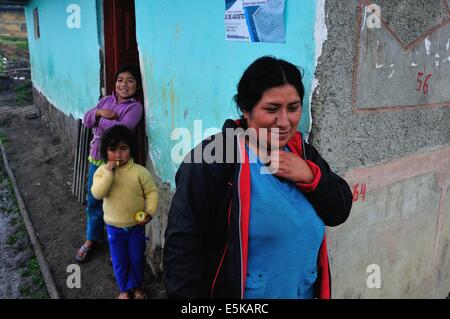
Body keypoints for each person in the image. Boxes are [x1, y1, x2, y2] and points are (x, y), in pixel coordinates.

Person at [163, 56, 353, 299]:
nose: (284, 122)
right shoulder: (213, 160)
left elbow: (339, 210)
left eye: (293, 108)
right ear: (246, 108)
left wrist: (310, 176)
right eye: (272, 109)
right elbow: (182, 250)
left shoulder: (302, 153)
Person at [75, 65, 144, 263]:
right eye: (120, 80)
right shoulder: (105, 101)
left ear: (137, 86)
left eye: (130, 80)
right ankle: (91, 239)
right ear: (114, 83)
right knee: (94, 201)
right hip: (96, 161)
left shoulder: (134, 107)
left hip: (119, 165)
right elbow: (87, 121)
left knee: (120, 202)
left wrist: (100, 118)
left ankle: (120, 242)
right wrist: (98, 113)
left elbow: (121, 130)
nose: (124, 84)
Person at [91, 125, 158, 299]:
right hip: (114, 228)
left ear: (131, 149)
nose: (118, 155)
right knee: (120, 262)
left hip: (136, 227)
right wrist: (109, 173)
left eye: (123, 149)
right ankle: (123, 290)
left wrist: (149, 211)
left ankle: (136, 287)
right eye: (112, 150)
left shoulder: (139, 172)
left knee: (136, 259)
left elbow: (151, 192)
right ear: (106, 152)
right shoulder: (101, 172)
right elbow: (98, 193)